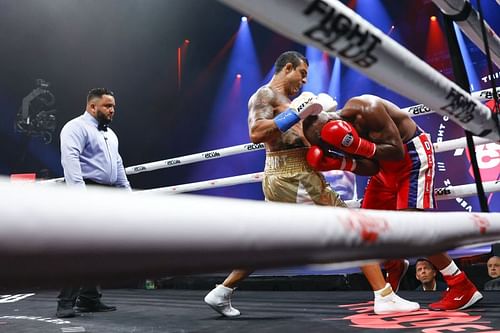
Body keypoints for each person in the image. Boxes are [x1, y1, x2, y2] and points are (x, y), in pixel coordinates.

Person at [203, 51, 417, 317]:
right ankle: (384, 296)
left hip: (293, 174)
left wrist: (324, 119)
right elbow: (257, 133)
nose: (304, 81)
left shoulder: (290, 101)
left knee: (270, 242)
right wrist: (295, 113)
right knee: (353, 226)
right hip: (294, 176)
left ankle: (222, 292)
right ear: (288, 68)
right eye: (302, 73)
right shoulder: (265, 95)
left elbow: (303, 137)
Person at [303, 94, 483, 311]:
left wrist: (356, 144)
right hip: (383, 170)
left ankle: (461, 286)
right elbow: (373, 167)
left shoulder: (367, 109)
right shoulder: (335, 136)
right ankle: (393, 264)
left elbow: (396, 152)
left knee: (413, 227)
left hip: (411, 158)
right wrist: (342, 163)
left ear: (333, 123)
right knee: (366, 227)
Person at [57, 88, 131, 318]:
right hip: (87, 191)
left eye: (114, 106)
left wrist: (128, 195)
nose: (112, 110)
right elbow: (70, 162)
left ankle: (89, 299)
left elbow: (117, 166)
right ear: (92, 106)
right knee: (80, 249)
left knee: (99, 250)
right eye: (108, 106)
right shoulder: (75, 128)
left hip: (106, 194)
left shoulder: (111, 134)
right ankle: (65, 302)